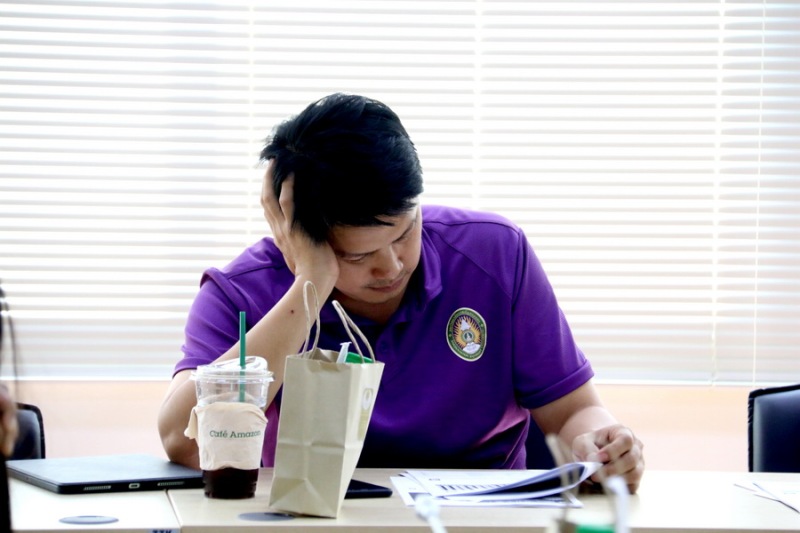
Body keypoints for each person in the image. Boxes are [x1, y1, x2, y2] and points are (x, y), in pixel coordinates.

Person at [158, 93, 645, 493]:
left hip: (482, 521)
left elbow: (572, 410)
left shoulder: (494, 253)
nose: (391, 266)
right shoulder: (241, 292)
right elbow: (183, 442)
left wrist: (599, 443)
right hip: (316, 524)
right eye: (356, 255)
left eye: (405, 232)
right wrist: (310, 285)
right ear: (295, 233)